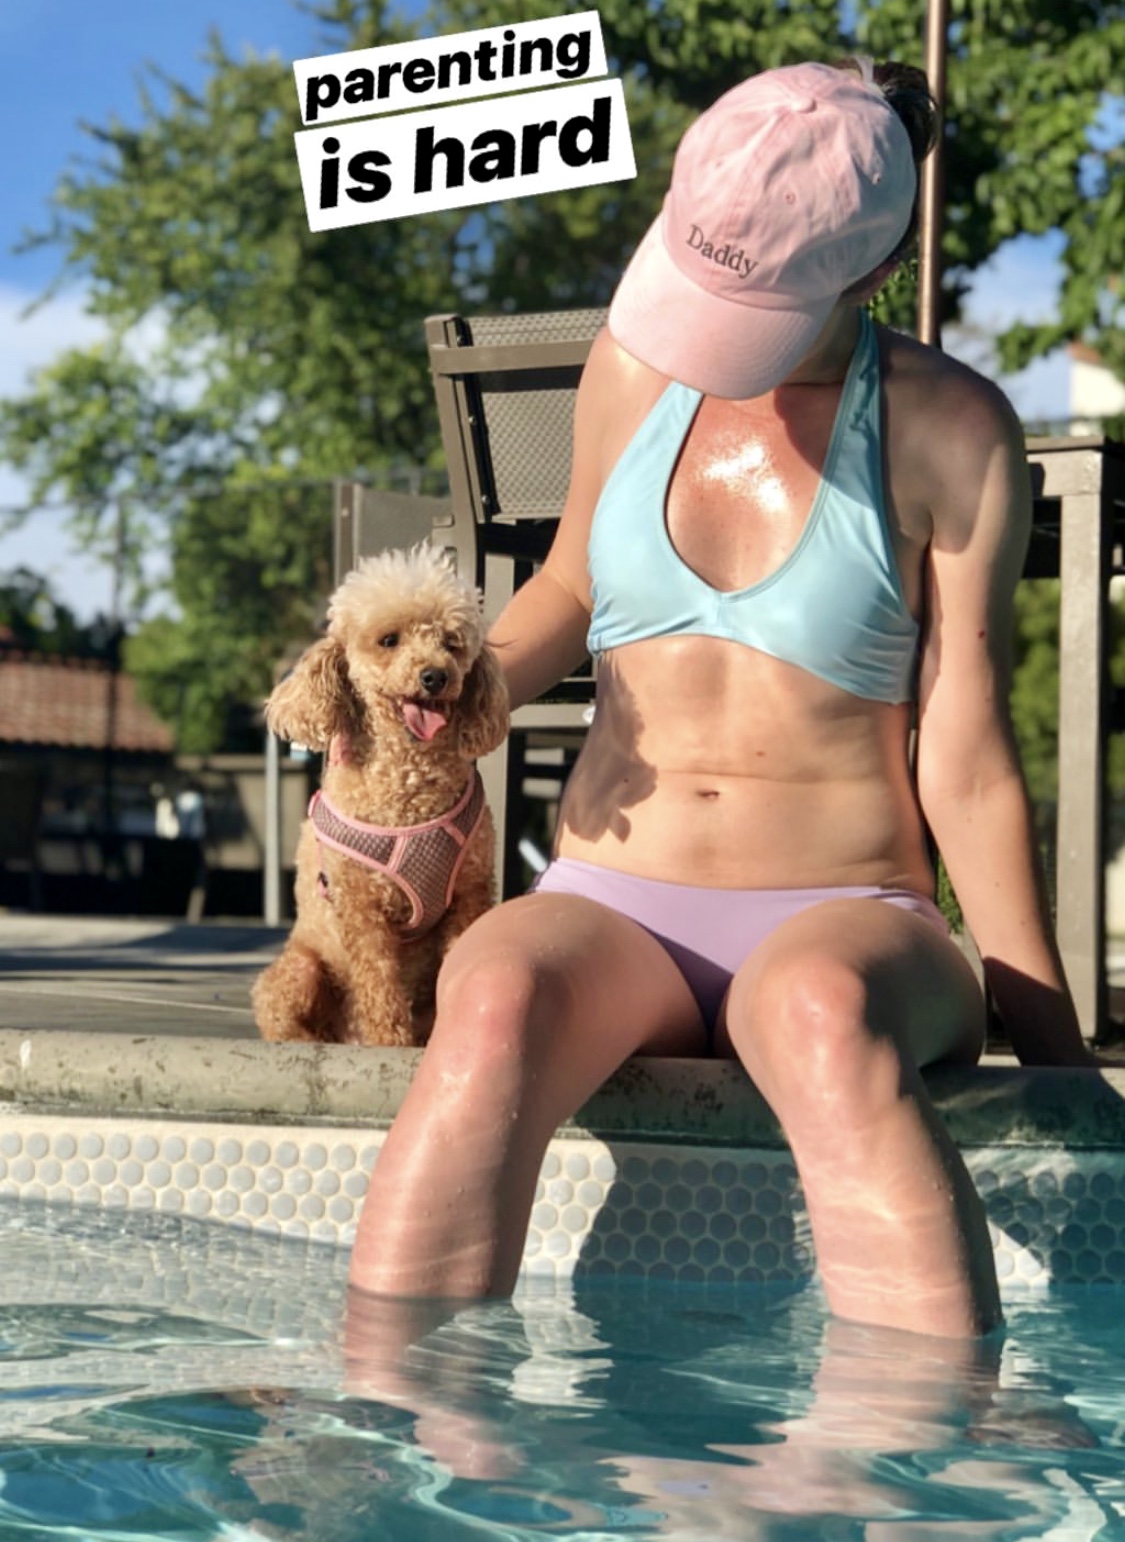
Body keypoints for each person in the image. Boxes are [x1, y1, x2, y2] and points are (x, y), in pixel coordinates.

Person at [349, 57, 1093, 1338]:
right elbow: (570, 583)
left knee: (813, 1014)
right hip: (608, 894)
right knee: (494, 991)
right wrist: (451, 713)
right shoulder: (636, 367)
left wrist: (1055, 1049)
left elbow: (967, 750)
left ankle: (922, 1478)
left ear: (866, 273)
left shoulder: (949, 430)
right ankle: (387, 1455)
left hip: (846, 914)